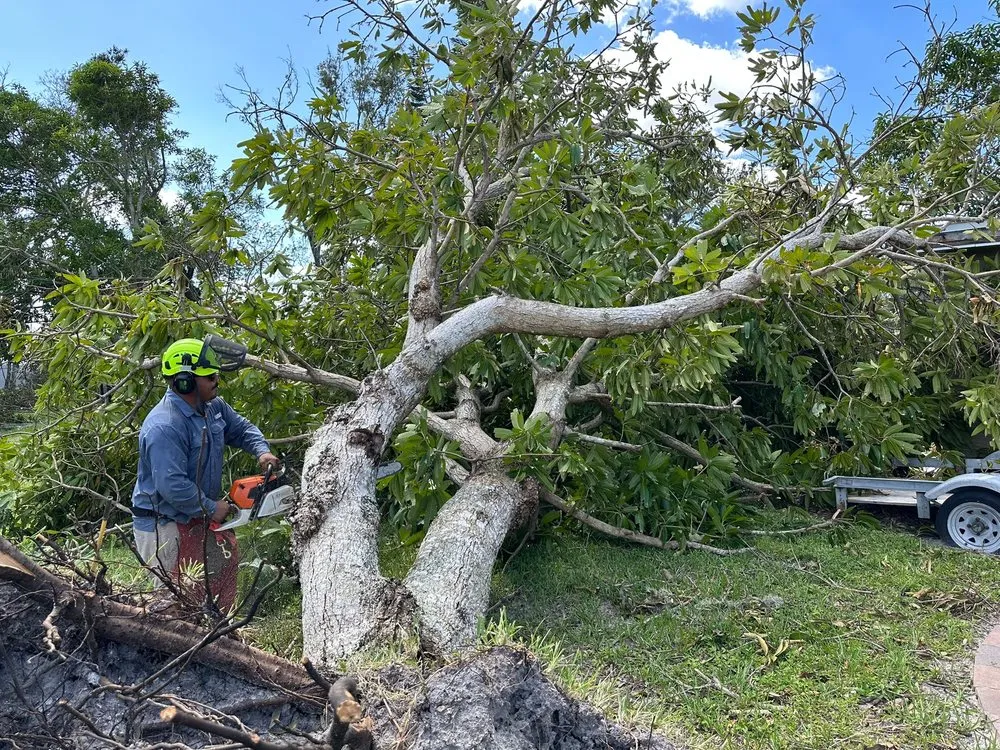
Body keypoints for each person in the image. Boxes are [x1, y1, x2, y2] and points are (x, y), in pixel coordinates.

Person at [131, 337, 279, 613]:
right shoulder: (164, 425)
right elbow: (171, 485)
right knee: (170, 600)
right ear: (184, 381)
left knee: (204, 597)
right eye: (208, 376)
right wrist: (213, 507)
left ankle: (211, 640)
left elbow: (241, 428)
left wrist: (262, 451)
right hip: (164, 524)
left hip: (197, 514)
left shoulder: (213, 408)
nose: (215, 380)